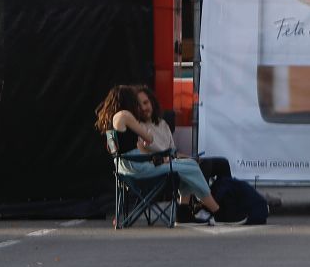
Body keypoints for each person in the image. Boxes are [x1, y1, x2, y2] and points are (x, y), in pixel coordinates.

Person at [97, 85, 234, 224]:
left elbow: (133, 149)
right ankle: (218, 211)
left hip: (127, 169)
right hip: (139, 169)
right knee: (191, 167)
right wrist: (147, 136)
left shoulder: (113, 120)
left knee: (186, 166)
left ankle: (185, 213)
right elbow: (149, 138)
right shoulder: (125, 115)